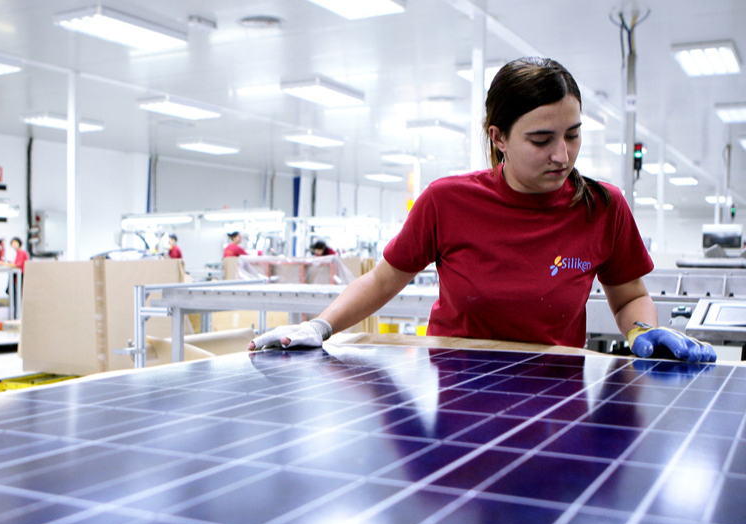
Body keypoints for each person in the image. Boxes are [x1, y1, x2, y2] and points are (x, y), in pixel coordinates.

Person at [251, 57, 714, 363]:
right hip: (459, 390)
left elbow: (629, 294)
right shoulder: (446, 201)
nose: (563, 155)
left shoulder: (602, 206)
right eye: (541, 139)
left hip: (556, 398)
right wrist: (320, 325)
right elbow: (383, 278)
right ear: (498, 138)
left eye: (572, 134)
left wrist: (642, 332)